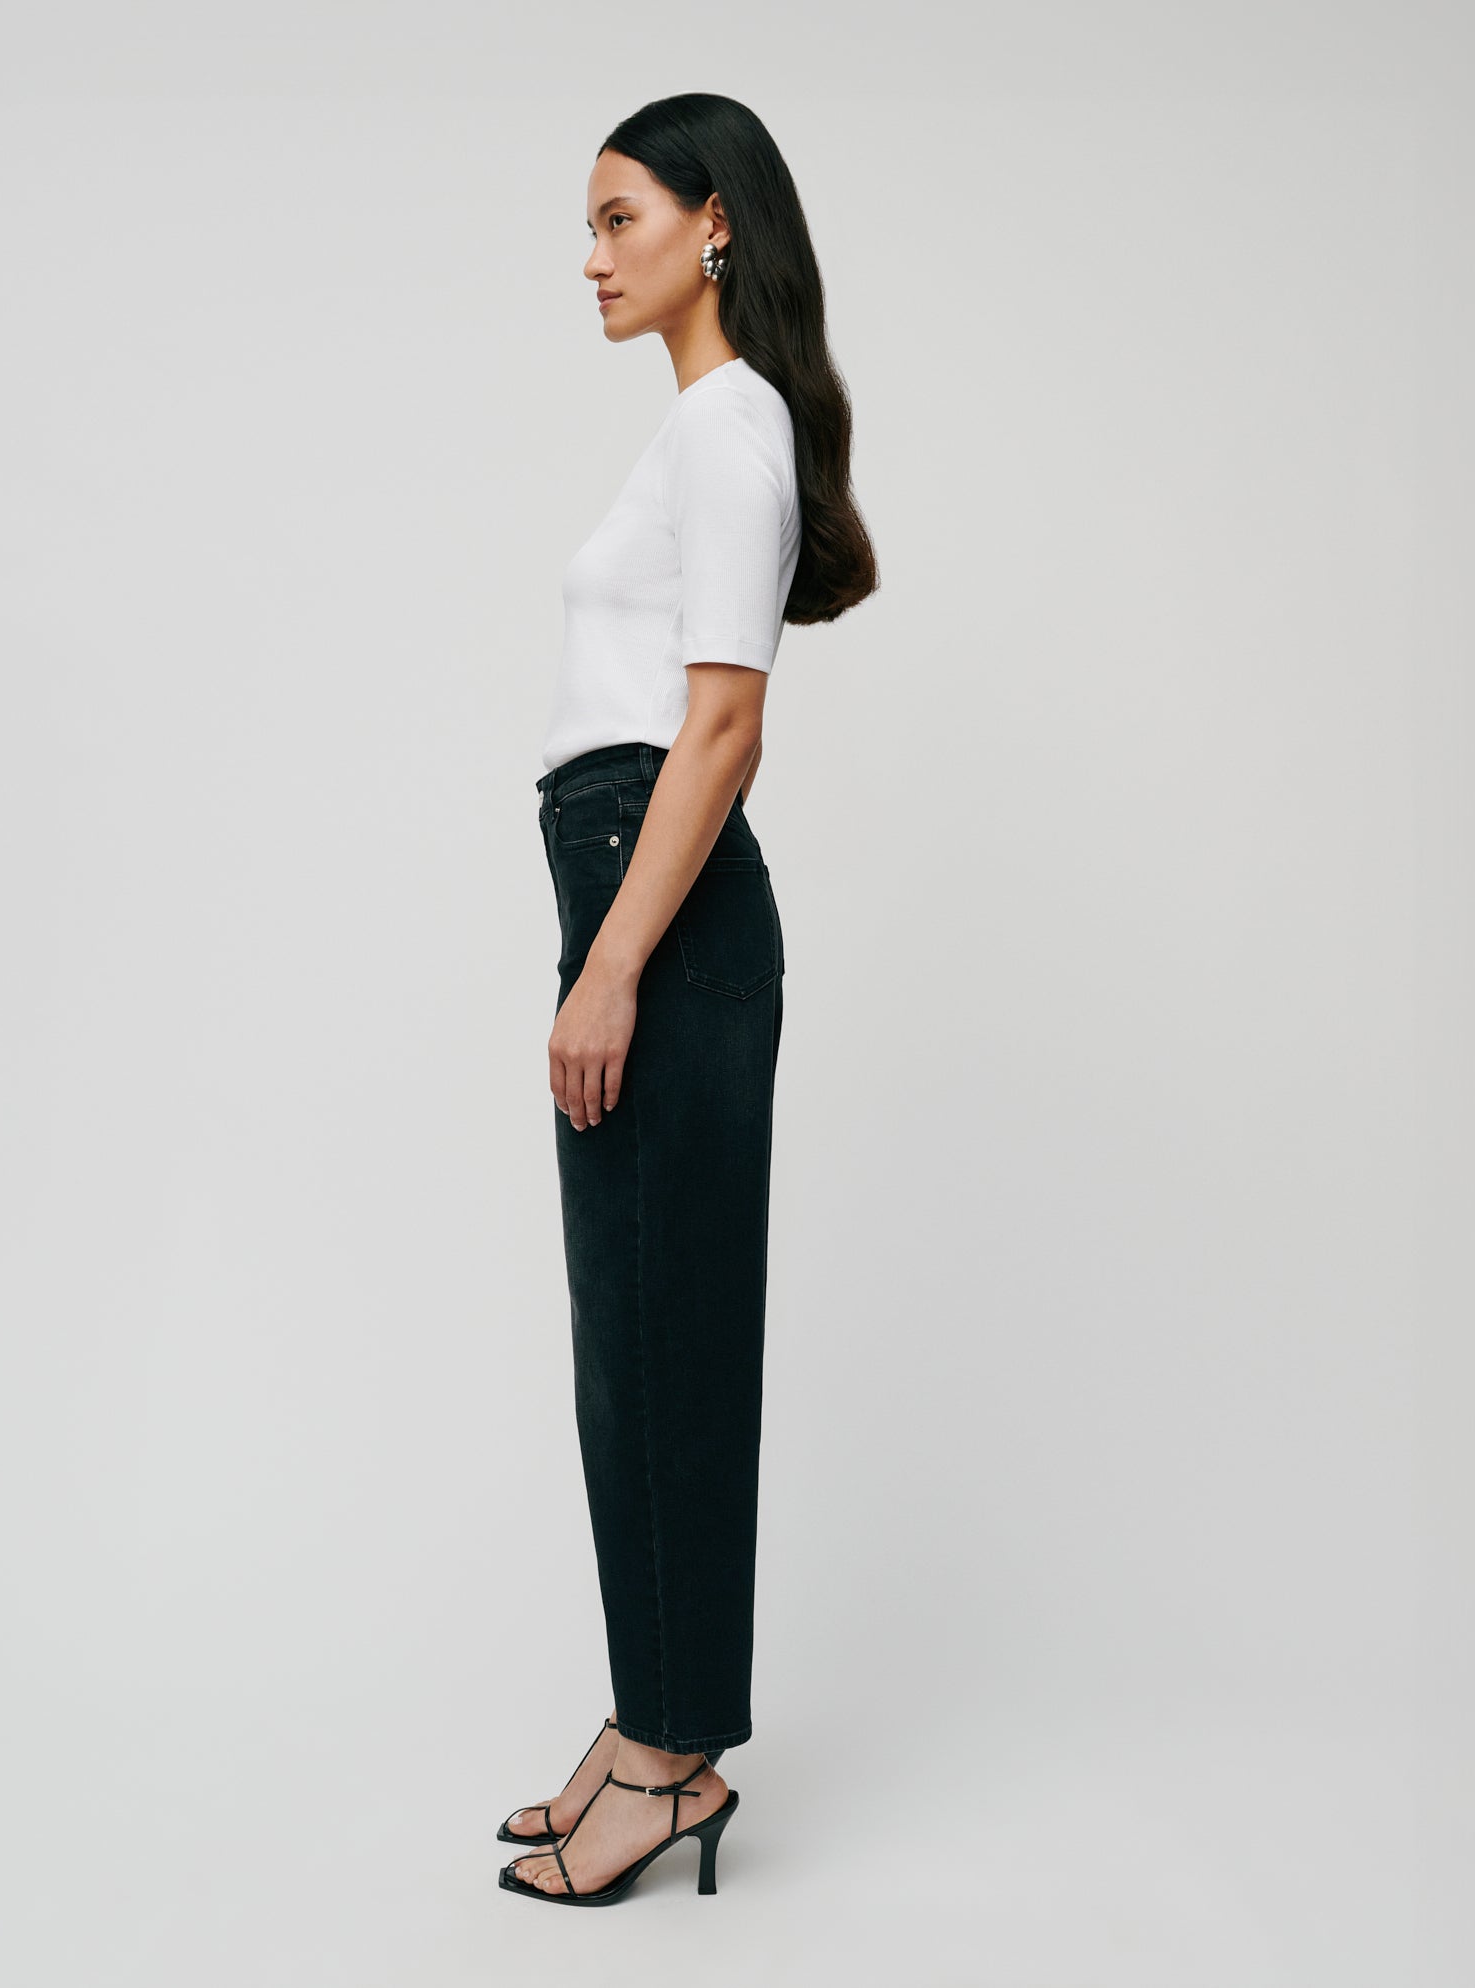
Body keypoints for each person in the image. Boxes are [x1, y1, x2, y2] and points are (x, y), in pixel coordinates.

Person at [498, 92, 878, 1907]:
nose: (592, 256)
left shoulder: (733, 425)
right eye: (590, 225)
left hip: (665, 906)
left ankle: (671, 1761)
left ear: (714, 223)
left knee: (670, 1341)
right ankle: (647, 1723)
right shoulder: (699, 427)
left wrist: (611, 968)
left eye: (618, 217)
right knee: (631, 1341)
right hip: (636, 889)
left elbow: (722, 729)